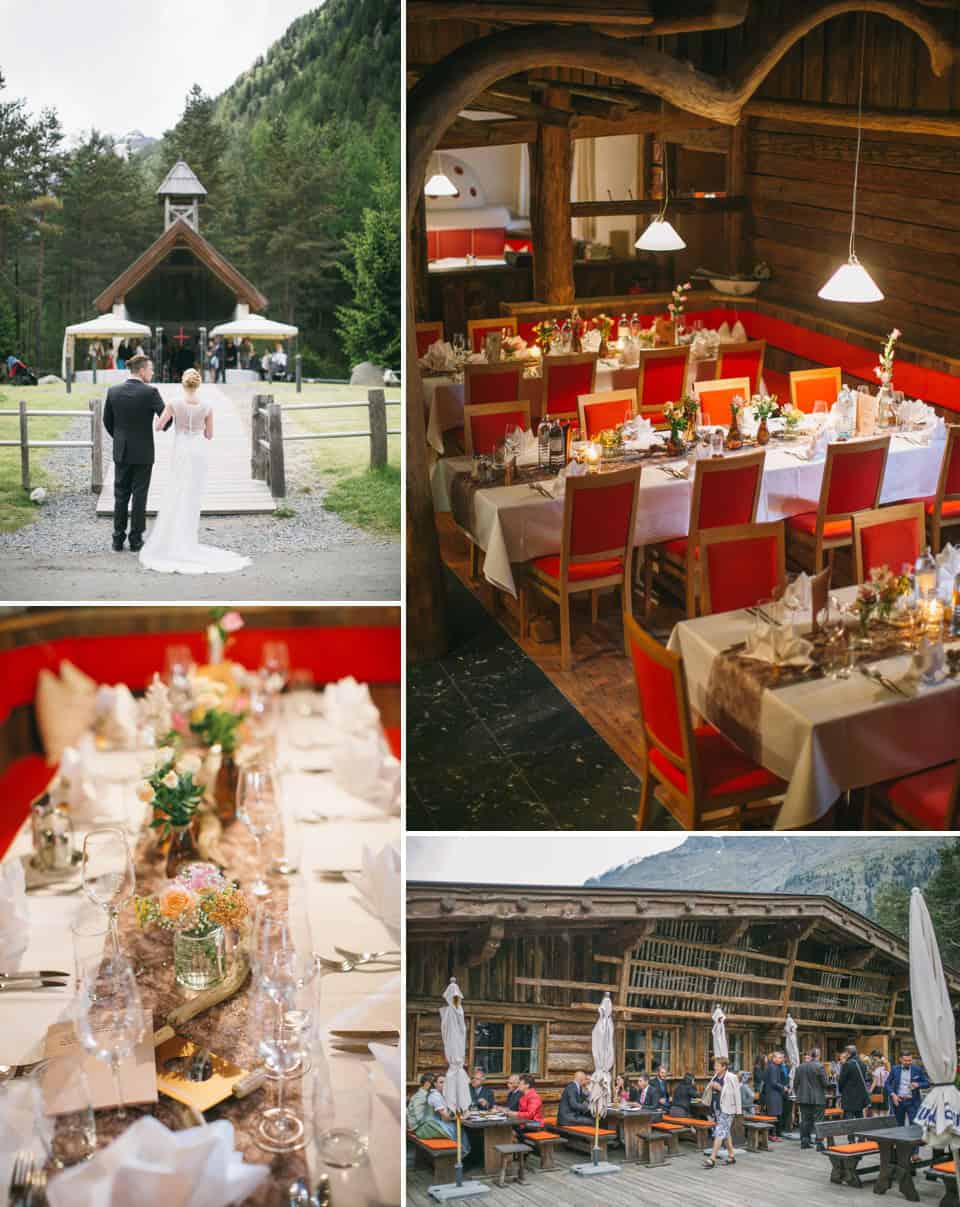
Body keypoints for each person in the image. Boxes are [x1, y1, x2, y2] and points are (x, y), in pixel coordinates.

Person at [138, 368, 250, 575]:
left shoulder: (173, 403)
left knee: (176, 491)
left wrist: (157, 421)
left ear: (183, 383)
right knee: (192, 495)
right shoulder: (207, 406)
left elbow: (159, 426)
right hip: (198, 451)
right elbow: (209, 435)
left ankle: (172, 539)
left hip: (181, 450)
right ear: (198, 384)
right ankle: (188, 540)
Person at [102, 355, 171, 553]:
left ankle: (117, 538)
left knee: (120, 494)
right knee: (140, 495)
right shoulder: (150, 392)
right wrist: (171, 413)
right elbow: (165, 421)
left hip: (121, 450)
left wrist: (120, 439)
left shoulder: (113, 391)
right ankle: (136, 539)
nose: (152, 373)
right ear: (141, 371)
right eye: (150, 369)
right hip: (143, 451)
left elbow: (108, 421)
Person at [703, 1058, 742, 1169]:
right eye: (715, 1065)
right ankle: (731, 1155)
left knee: (719, 1131)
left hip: (728, 1109)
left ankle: (712, 1159)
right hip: (717, 1108)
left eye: (717, 1065)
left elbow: (736, 1093)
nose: (715, 1067)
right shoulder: (715, 1076)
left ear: (724, 1067)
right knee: (725, 1132)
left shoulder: (732, 1077)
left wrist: (720, 1088)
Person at [794, 1048, 830, 1151]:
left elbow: (795, 1084)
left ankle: (804, 1142)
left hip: (803, 1098)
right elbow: (825, 1083)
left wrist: (799, 1094)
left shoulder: (800, 1067)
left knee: (805, 1120)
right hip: (818, 1098)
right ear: (818, 1055)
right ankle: (819, 1143)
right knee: (819, 1121)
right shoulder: (819, 1066)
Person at [407, 1073, 458, 1144]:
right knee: (452, 1130)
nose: (435, 1085)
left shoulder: (427, 1094)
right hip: (418, 1128)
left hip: (424, 1124)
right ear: (427, 1084)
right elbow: (419, 1117)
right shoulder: (421, 1096)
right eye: (433, 1083)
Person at [426, 1075, 470, 1155]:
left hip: (442, 1121)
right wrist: (462, 1117)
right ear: (435, 1084)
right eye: (441, 1082)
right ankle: (456, 1156)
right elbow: (446, 1117)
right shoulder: (435, 1096)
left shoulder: (442, 1095)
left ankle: (460, 1155)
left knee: (461, 1129)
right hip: (435, 1123)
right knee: (458, 1129)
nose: (444, 1085)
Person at [838, 1045, 871, 1142]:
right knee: (859, 1116)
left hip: (849, 1096)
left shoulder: (847, 1064)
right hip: (860, 1095)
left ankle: (851, 1139)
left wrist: (841, 1090)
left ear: (848, 1053)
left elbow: (841, 1080)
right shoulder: (863, 1064)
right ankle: (861, 1138)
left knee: (849, 1118)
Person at [886, 1052, 929, 1126]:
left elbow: (927, 1083)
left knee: (914, 1126)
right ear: (900, 1060)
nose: (908, 1062)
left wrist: (918, 1084)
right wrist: (893, 1095)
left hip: (912, 1102)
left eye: (910, 1060)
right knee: (898, 1126)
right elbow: (887, 1083)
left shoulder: (917, 1069)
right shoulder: (895, 1069)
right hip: (898, 1102)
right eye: (906, 1060)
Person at [763, 1051, 789, 1140]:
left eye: (782, 1058)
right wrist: (783, 1088)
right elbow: (774, 1082)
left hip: (772, 1094)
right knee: (773, 1115)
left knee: (774, 1115)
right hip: (773, 1094)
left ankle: (773, 1134)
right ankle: (772, 1135)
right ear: (774, 1058)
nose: (781, 1059)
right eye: (779, 1058)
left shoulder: (772, 1066)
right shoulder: (773, 1067)